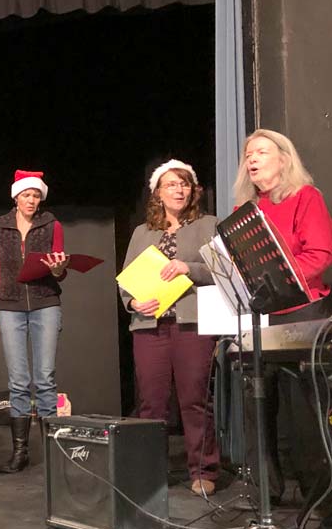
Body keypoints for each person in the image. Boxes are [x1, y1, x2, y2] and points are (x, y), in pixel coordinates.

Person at [232, 130, 332, 505]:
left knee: (305, 415)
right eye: (247, 154)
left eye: (261, 151)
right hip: (262, 317)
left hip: (304, 313)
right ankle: (265, 496)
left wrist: (277, 282)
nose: (252, 158)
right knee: (258, 405)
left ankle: (320, 502)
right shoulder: (248, 212)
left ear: (284, 159)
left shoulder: (306, 197)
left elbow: (319, 255)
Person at [120, 159, 219, 495]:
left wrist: (187, 267)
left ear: (193, 190)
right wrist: (133, 303)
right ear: (157, 193)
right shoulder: (142, 233)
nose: (179, 190)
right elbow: (127, 284)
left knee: (194, 398)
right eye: (171, 185)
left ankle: (203, 469)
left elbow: (222, 271)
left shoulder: (208, 225)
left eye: (184, 184)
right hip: (150, 325)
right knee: (151, 401)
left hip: (192, 321)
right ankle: (150, 468)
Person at [0, 170, 68, 474]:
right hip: (9, 306)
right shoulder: (0, 227)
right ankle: (20, 452)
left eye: (36, 195)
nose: (31, 200)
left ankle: (52, 453)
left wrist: (58, 268)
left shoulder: (51, 224)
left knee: (44, 378)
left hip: (45, 302)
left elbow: (60, 270)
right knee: (18, 381)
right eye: (26, 195)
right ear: (16, 197)